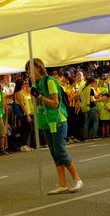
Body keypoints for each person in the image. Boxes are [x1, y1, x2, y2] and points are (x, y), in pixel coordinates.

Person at [27, 58, 83, 194]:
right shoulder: (37, 83)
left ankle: (77, 179)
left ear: (40, 67)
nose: (29, 72)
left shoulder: (49, 81)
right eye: (28, 69)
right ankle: (62, 184)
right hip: (46, 122)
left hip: (57, 120)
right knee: (54, 154)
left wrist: (40, 96)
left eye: (32, 68)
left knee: (60, 152)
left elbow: (55, 103)